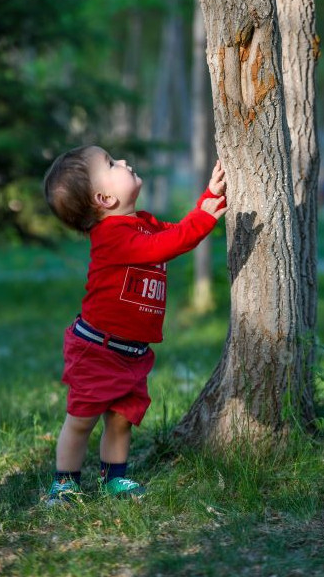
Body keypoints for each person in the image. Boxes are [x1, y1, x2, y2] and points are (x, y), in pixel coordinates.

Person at [43, 145, 227, 504]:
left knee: (122, 418)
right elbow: (169, 245)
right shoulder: (112, 237)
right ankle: (65, 482)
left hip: (131, 352)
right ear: (105, 198)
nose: (124, 162)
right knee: (81, 419)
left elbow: (173, 232)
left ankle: (114, 478)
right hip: (97, 349)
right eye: (112, 164)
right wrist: (205, 215)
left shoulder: (140, 223)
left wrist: (209, 200)